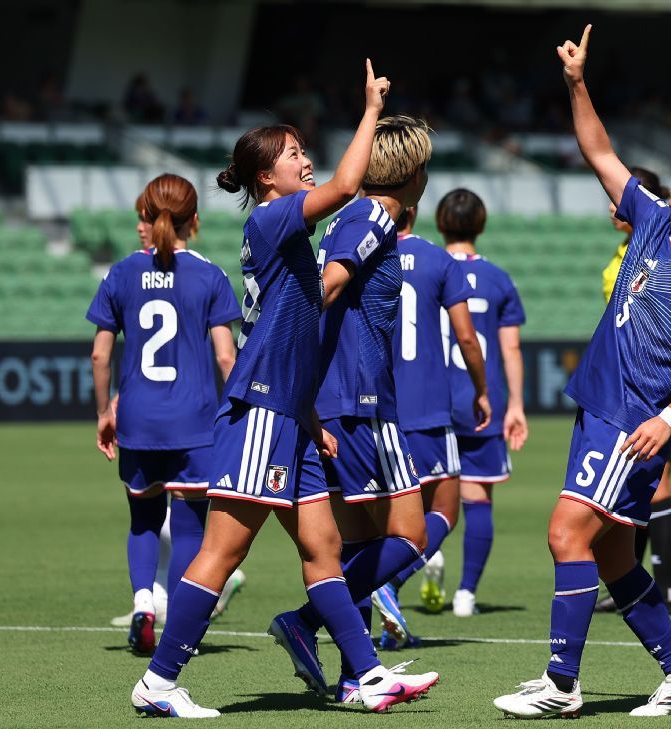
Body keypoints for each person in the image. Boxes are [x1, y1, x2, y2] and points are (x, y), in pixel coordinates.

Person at [130, 62, 439, 718]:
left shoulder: (281, 227)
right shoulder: (272, 221)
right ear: (265, 176)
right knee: (222, 550)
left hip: (288, 410)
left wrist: (306, 411)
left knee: (324, 549)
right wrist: (369, 107)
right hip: (261, 407)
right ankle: (159, 680)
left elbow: (289, 326)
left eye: (302, 151)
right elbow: (352, 183)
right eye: (294, 154)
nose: (305, 161)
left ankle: (368, 674)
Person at [493, 25, 671, 719]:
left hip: (633, 417)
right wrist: (577, 82)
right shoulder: (652, 220)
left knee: (564, 533)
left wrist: (666, 419)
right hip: (602, 405)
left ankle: (561, 682)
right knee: (612, 558)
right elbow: (600, 151)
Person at [268, 115, 440, 704]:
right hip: (359, 403)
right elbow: (328, 284)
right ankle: (307, 621)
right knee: (411, 535)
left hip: (346, 397)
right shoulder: (372, 215)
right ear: (413, 172)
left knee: (363, 542)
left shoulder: (366, 217)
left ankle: (351, 676)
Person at [87, 174, 242, 656]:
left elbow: (99, 356)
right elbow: (225, 357)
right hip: (194, 423)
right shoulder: (209, 275)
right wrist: (238, 409)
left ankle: (141, 606)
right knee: (191, 527)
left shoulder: (122, 273)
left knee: (142, 522)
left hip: (138, 418)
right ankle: (176, 628)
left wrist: (104, 411)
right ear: (193, 221)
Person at [369, 204, 492, 646]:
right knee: (442, 509)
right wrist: (481, 389)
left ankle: (366, 627)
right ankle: (390, 580)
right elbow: (465, 337)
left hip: (374, 407)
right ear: (415, 210)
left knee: (375, 518)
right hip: (426, 408)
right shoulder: (438, 259)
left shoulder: (362, 253)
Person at [430, 188, 529, 619]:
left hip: (429, 402)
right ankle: (466, 594)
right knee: (477, 498)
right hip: (480, 401)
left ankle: (421, 557)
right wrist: (516, 405)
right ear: (482, 225)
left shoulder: (425, 266)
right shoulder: (498, 279)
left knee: (421, 497)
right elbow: (509, 350)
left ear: (439, 223)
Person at [594, 167, 671, 616]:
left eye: (619, 201)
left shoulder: (662, 245)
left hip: (652, 383)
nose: (613, 207)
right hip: (620, 383)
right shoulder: (624, 250)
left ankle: (663, 587)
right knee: (634, 487)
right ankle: (633, 583)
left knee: (659, 485)